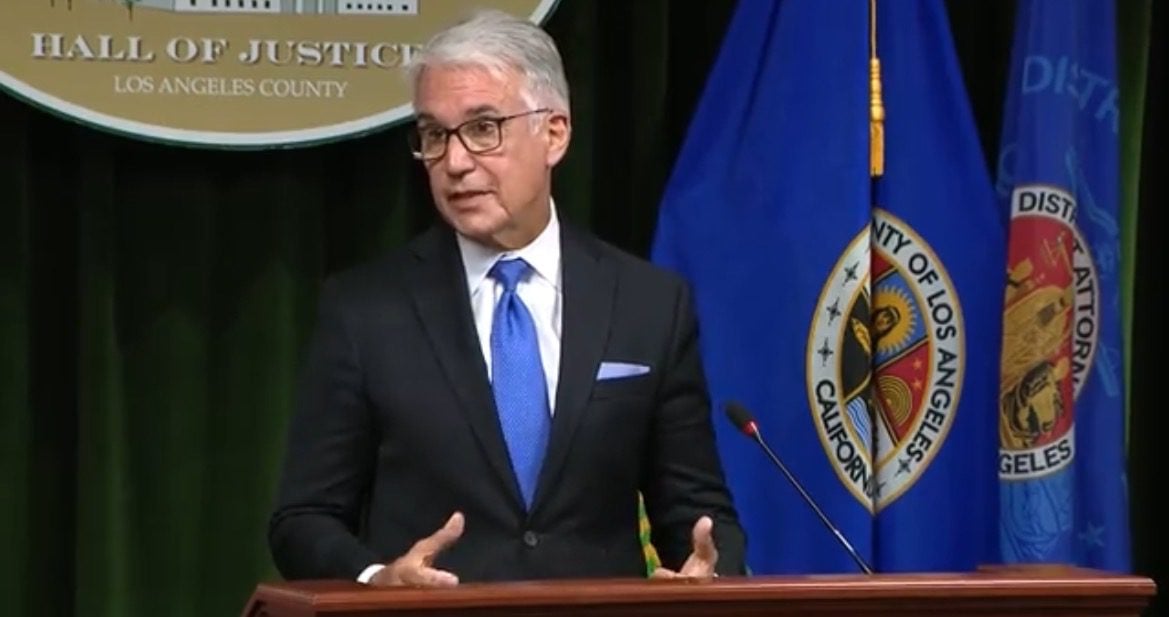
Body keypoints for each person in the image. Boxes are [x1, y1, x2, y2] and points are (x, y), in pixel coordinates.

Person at [267, 9, 746, 587]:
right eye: (434, 135)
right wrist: (377, 577)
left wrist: (708, 576)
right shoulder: (365, 311)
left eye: (483, 128)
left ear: (555, 133)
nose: (455, 162)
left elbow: (698, 513)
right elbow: (303, 519)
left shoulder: (649, 304)